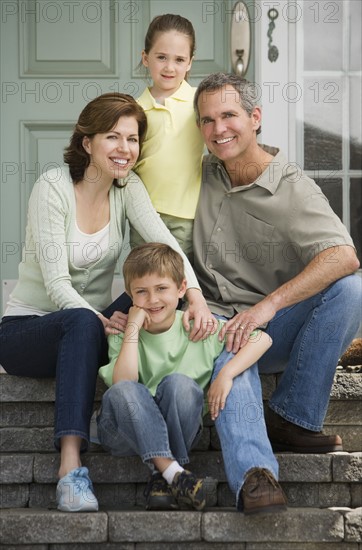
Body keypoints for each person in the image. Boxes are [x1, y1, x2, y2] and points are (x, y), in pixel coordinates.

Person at [0, 93, 217, 513]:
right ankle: (70, 471)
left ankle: (146, 406)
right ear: (87, 143)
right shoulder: (53, 188)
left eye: (133, 139)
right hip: (29, 330)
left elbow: (165, 244)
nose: (125, 149)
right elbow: (57, 283)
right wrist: (100, 320)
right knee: (82, 320)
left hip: (93, 323)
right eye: (112, 137)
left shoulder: (127, 187)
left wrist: (196, 296)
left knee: (153, 296)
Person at [192, 72, 362, 513]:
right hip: (210, 322)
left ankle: (292, 414)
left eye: (229, 116)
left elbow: (343, 256)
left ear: (255, 118)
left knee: (351, 290)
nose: (218, 129)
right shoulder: (204, 171)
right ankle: (255, 476)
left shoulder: (291, 188)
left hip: (272, 327)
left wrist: (267, 307)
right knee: (234, 356)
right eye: (207, 121)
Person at [97, 242, 278, 512]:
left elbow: (261, 338)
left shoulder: (198, 327)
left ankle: (164, 477)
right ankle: (173, 472)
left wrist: (226, 374)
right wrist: (133, 327)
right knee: (123, 391)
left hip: (181, 429)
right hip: (124, 431)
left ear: (182, 289)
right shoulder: (123, 332)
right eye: (141, 292)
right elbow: (124, 381)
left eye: (161, 289)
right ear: (129, 295)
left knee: (180, 385)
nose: (153, 300)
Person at [130, 14, 204, 261]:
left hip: (186, 213)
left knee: (178, 278)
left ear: (190, 63)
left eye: (179, 59)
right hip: (143, 212)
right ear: (145, 58)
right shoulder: (134, 109)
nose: (170, 67)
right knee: (146, 274)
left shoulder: (200, 102)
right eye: (161, 57)